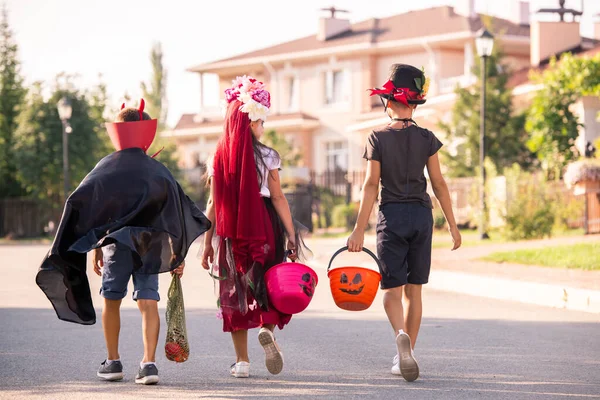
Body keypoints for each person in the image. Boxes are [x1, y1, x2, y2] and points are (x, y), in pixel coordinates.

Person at [36, 100, 211, 385]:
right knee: (148, 299)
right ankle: (149, 364)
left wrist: (93, 247)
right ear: (146, 133)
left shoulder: (106, 167)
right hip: (152, 245)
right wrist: (176, 256)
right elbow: (176, 211)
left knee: (111, 299)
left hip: (115, 245)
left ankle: (113, 361)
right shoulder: (157, 170)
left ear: (117, 132)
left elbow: (88, 204)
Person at [346, 64, 462, 382]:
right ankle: (408, 351)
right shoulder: (428, 138)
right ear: (413, 103)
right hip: (422, 218)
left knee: (392, 291)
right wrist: (452, 224)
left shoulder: (377, 138)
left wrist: (358, 229)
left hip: (392, 218)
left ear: (389, 102)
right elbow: (438, 183)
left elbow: (371, 185)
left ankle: (400, 338)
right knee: (416, 291)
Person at [201, 76, 307, 378]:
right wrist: (290, 233)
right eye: (261, 123)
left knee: (236, 292)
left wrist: (207, 243)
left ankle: (242, 362)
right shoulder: (268, 156)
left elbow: (211, 203)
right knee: (270, 284)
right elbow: (277, 197)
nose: (263, 129)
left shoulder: (217, 157)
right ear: (250, 123)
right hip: (265, 226)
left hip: (232, 229)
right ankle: (267, 331)